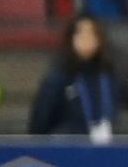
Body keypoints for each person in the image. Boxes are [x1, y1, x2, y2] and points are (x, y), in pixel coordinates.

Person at [29, 13, 122, 141]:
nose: (86, 38)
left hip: (105, 149)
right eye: (80, 33)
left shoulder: (109, 76)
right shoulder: (58, 77)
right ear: (70, 38)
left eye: (91, 33)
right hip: (66, 151)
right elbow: (39, 123)